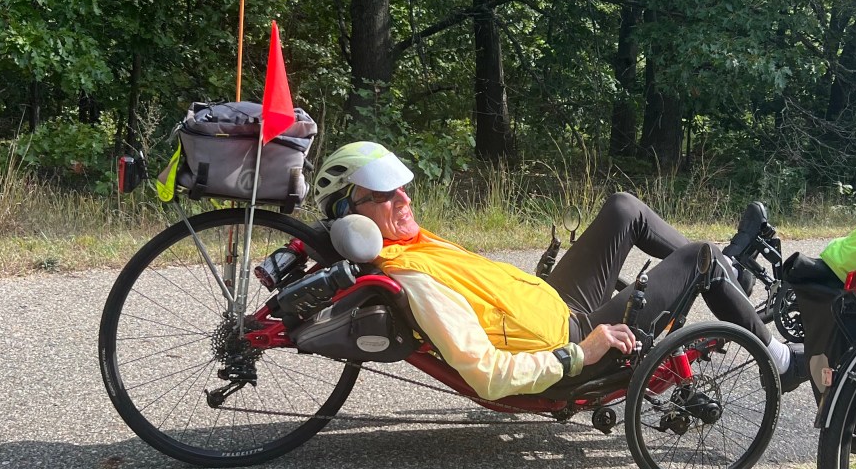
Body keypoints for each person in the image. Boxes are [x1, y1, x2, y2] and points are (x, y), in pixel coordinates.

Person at [313, 141, 806, 401]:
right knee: (698, 257)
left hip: (555, 301)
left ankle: (726, 270)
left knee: (623, 208)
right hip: (574, 335)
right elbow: (488, 375)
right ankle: (780, 361)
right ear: (352, 217)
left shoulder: (409, 242)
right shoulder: (411, 277)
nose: (405, 198)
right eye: (387, 194)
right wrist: (579, 353)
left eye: (403, 187)